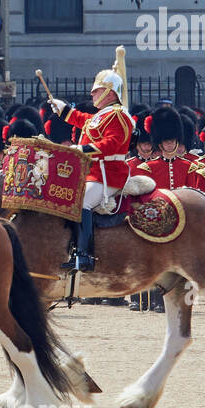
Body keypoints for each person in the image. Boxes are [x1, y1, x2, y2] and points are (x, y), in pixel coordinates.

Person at [45, 49, 133, 271]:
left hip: (109, 174)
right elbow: (84, 121)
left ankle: (84, 255)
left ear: (110, 93)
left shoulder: (119, 115)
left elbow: (112, 143)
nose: (92, 94)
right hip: (94, 173)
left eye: (97, 91)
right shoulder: (102, 115)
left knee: (81, 201)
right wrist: (64, 110)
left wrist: (81, 149)